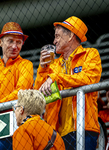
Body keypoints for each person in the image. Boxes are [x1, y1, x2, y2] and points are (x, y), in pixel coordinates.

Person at [34, 16, 102, 150]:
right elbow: (37, 92)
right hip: (56, 134)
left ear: (71, 35)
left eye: (57, 36)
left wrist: (57, 77)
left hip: (85, 128)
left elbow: (88, 78)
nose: (54, 41)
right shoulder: (53, 65)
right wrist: (42, 68)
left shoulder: (90, 54)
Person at [0, 22, 34, 150]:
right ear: (0, 42)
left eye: (18, 42)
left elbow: (20, 93)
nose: (15, 46)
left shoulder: (26, 65)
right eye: (10, 41)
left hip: (15, 127)